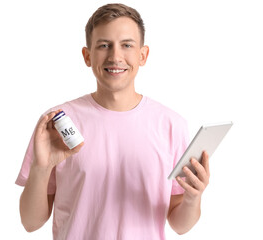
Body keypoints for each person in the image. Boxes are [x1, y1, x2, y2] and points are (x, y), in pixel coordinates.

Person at [16, 3, 210, 240]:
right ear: (87, 56)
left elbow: (180, 225)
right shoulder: (58, 123)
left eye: (126, 45)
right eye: (103, 45)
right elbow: (30, 222)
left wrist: (193, 197)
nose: (115, 56)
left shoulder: (171, 125)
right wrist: (41, 168)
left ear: (143, 55)